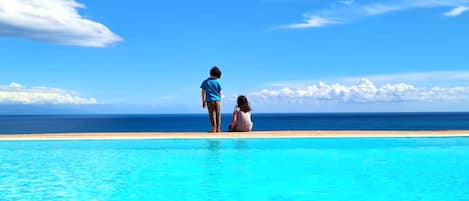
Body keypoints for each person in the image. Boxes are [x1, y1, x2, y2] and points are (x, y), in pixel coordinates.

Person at [200, 66, 222, 132]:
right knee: (218, 114)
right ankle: (218, 128)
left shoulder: (205, 82)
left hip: (210, 100)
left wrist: (203, 101)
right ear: (216, 75)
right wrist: (220, 100)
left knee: (212, 114)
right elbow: (220, 92)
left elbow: (203, 92)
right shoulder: (217, 82)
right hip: (217, 100)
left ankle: (213, 128)